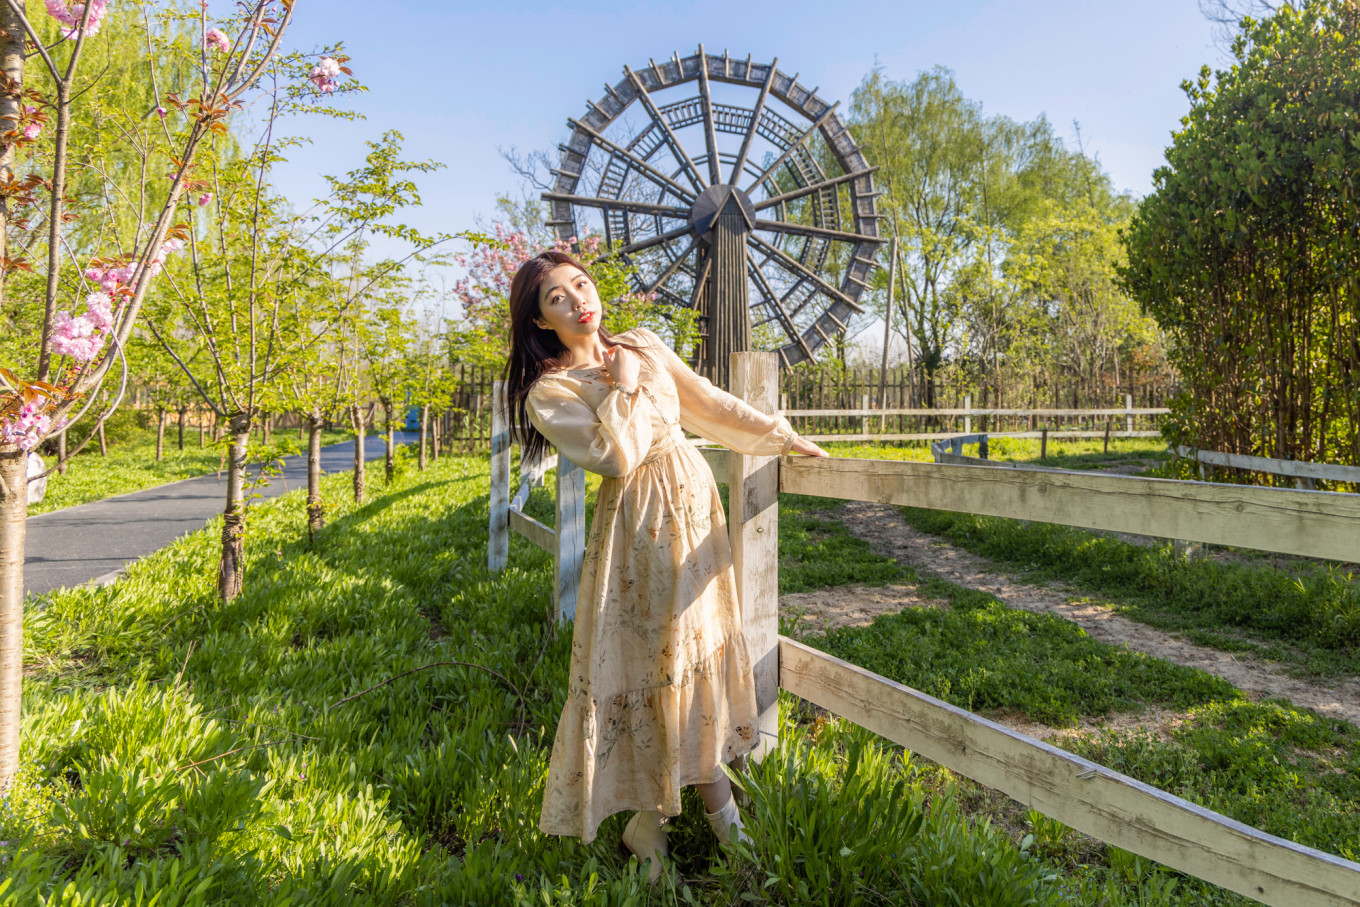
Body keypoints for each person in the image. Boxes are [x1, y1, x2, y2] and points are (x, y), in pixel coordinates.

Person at [504, 250, 828, 882]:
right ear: (541, 321)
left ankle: (649, 827)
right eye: (557, 298)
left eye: (580, 284)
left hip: (694, 516)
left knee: (694, 662)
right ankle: (723, 832)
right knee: (663, 667)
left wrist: (780, 435)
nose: (577, 301)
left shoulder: (645, 343)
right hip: (636, 539)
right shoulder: (552, 392)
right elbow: (615, 457)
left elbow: (706, 403)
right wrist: (621, 386)